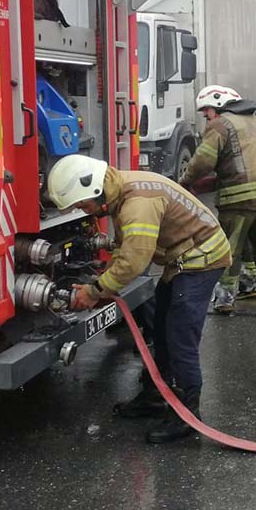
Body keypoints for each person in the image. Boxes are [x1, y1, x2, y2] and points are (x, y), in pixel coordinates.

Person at [46, 154, 231, 444]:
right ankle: (156, 396)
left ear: (96, 191)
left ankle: (187, 415)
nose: (86, 212)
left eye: (83, 205)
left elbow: (134, 260)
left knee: (179, 336)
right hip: (182, 259)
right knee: (160, 327)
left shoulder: (137, 203)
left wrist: (95, 291)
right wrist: (105, 285)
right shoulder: (121, 191)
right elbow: (124, 250)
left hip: (201, 260)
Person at [179, 85, 256, 314]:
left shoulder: (220, 124)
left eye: (206, 110)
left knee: (230, 251)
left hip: (237, 201)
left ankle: (225, 300)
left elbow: (203, 161)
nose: (205, 115)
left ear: (218, 105)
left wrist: (185, 181)